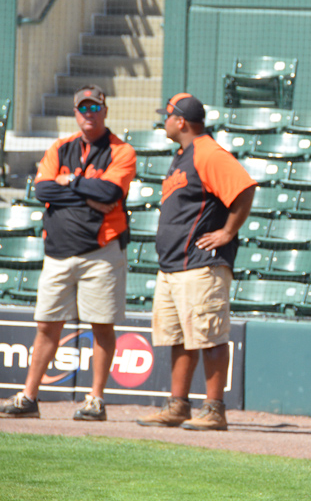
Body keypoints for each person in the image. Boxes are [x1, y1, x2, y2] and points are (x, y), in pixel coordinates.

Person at [0, 85, 136, 421]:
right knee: (47, 325)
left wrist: (69, 182)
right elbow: (42, 188)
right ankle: (29, 397)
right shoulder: (60, 147)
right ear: (75, 113)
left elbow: (110, 190)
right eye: (83, 108)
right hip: (58, 252)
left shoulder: (121, 151)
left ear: (104, 111)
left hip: (101, 250)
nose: (88, 113)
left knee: (102, 325)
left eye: (94, 107)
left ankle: (96, 399)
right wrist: (86, 192)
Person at [136, 94, 256, 431]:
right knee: (179, 339)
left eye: (168, 116)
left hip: (201, 264)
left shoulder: (207, 152)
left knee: (210, 337)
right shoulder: (182, 155)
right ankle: (178, 406)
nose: (164, 121)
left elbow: (244, 189)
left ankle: (215, 409)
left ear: (181, 121)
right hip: (174, 265)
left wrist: (227, 232)